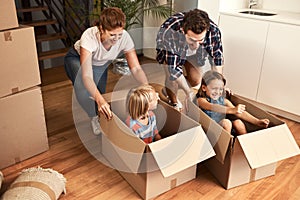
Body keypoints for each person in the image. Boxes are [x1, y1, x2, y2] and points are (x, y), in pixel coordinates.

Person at [64, 7, 148, 135]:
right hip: (76, 59)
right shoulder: (89, 36)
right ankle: (93, 117)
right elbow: (87, 76)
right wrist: (99, 101)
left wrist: (147, 87)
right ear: (101, 29)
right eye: (112, 35)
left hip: (100, 64)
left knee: (100, 94)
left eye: (119, 34)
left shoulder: (124, 37)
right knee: (84, 88)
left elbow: (136, 68)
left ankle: (98, 115)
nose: (116, 39)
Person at [156, 8, 224, 111]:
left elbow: (217, 60)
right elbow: (174, 70)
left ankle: (167, 90)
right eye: (192, 40)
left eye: (200, 40)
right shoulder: (169, 32)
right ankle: (174, 103)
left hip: (194, 55)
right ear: (183, 31)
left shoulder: (213, 31)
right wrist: (189, 92)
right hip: (172, 51)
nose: (196, 45)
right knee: (172, 79)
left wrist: (219, 85)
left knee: (196, 79)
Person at [195, 70, 270, 135]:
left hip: (225, 129)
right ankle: (227, 146)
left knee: (238, 123)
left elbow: (240, 113)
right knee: (226, 122)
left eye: (220, 89)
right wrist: (232, 110)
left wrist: (257, 121)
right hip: (210, 131)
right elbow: (212, 107)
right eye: (214, 88)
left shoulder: (223, 101)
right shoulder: (201, 100)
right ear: (204, 88)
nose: (218, 92)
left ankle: (242, 144)